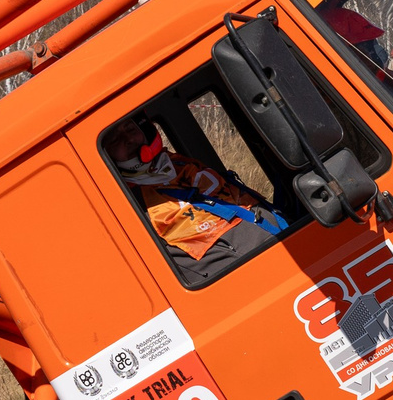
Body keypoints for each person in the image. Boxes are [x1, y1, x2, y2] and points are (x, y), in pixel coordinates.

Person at [102, 118, 288, 279]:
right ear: (107, 154)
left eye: (130, 129)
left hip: (284, 239)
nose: (128, 139)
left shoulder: (180, 162)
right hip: (253, 272)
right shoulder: (126, 203)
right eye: (115, 140)